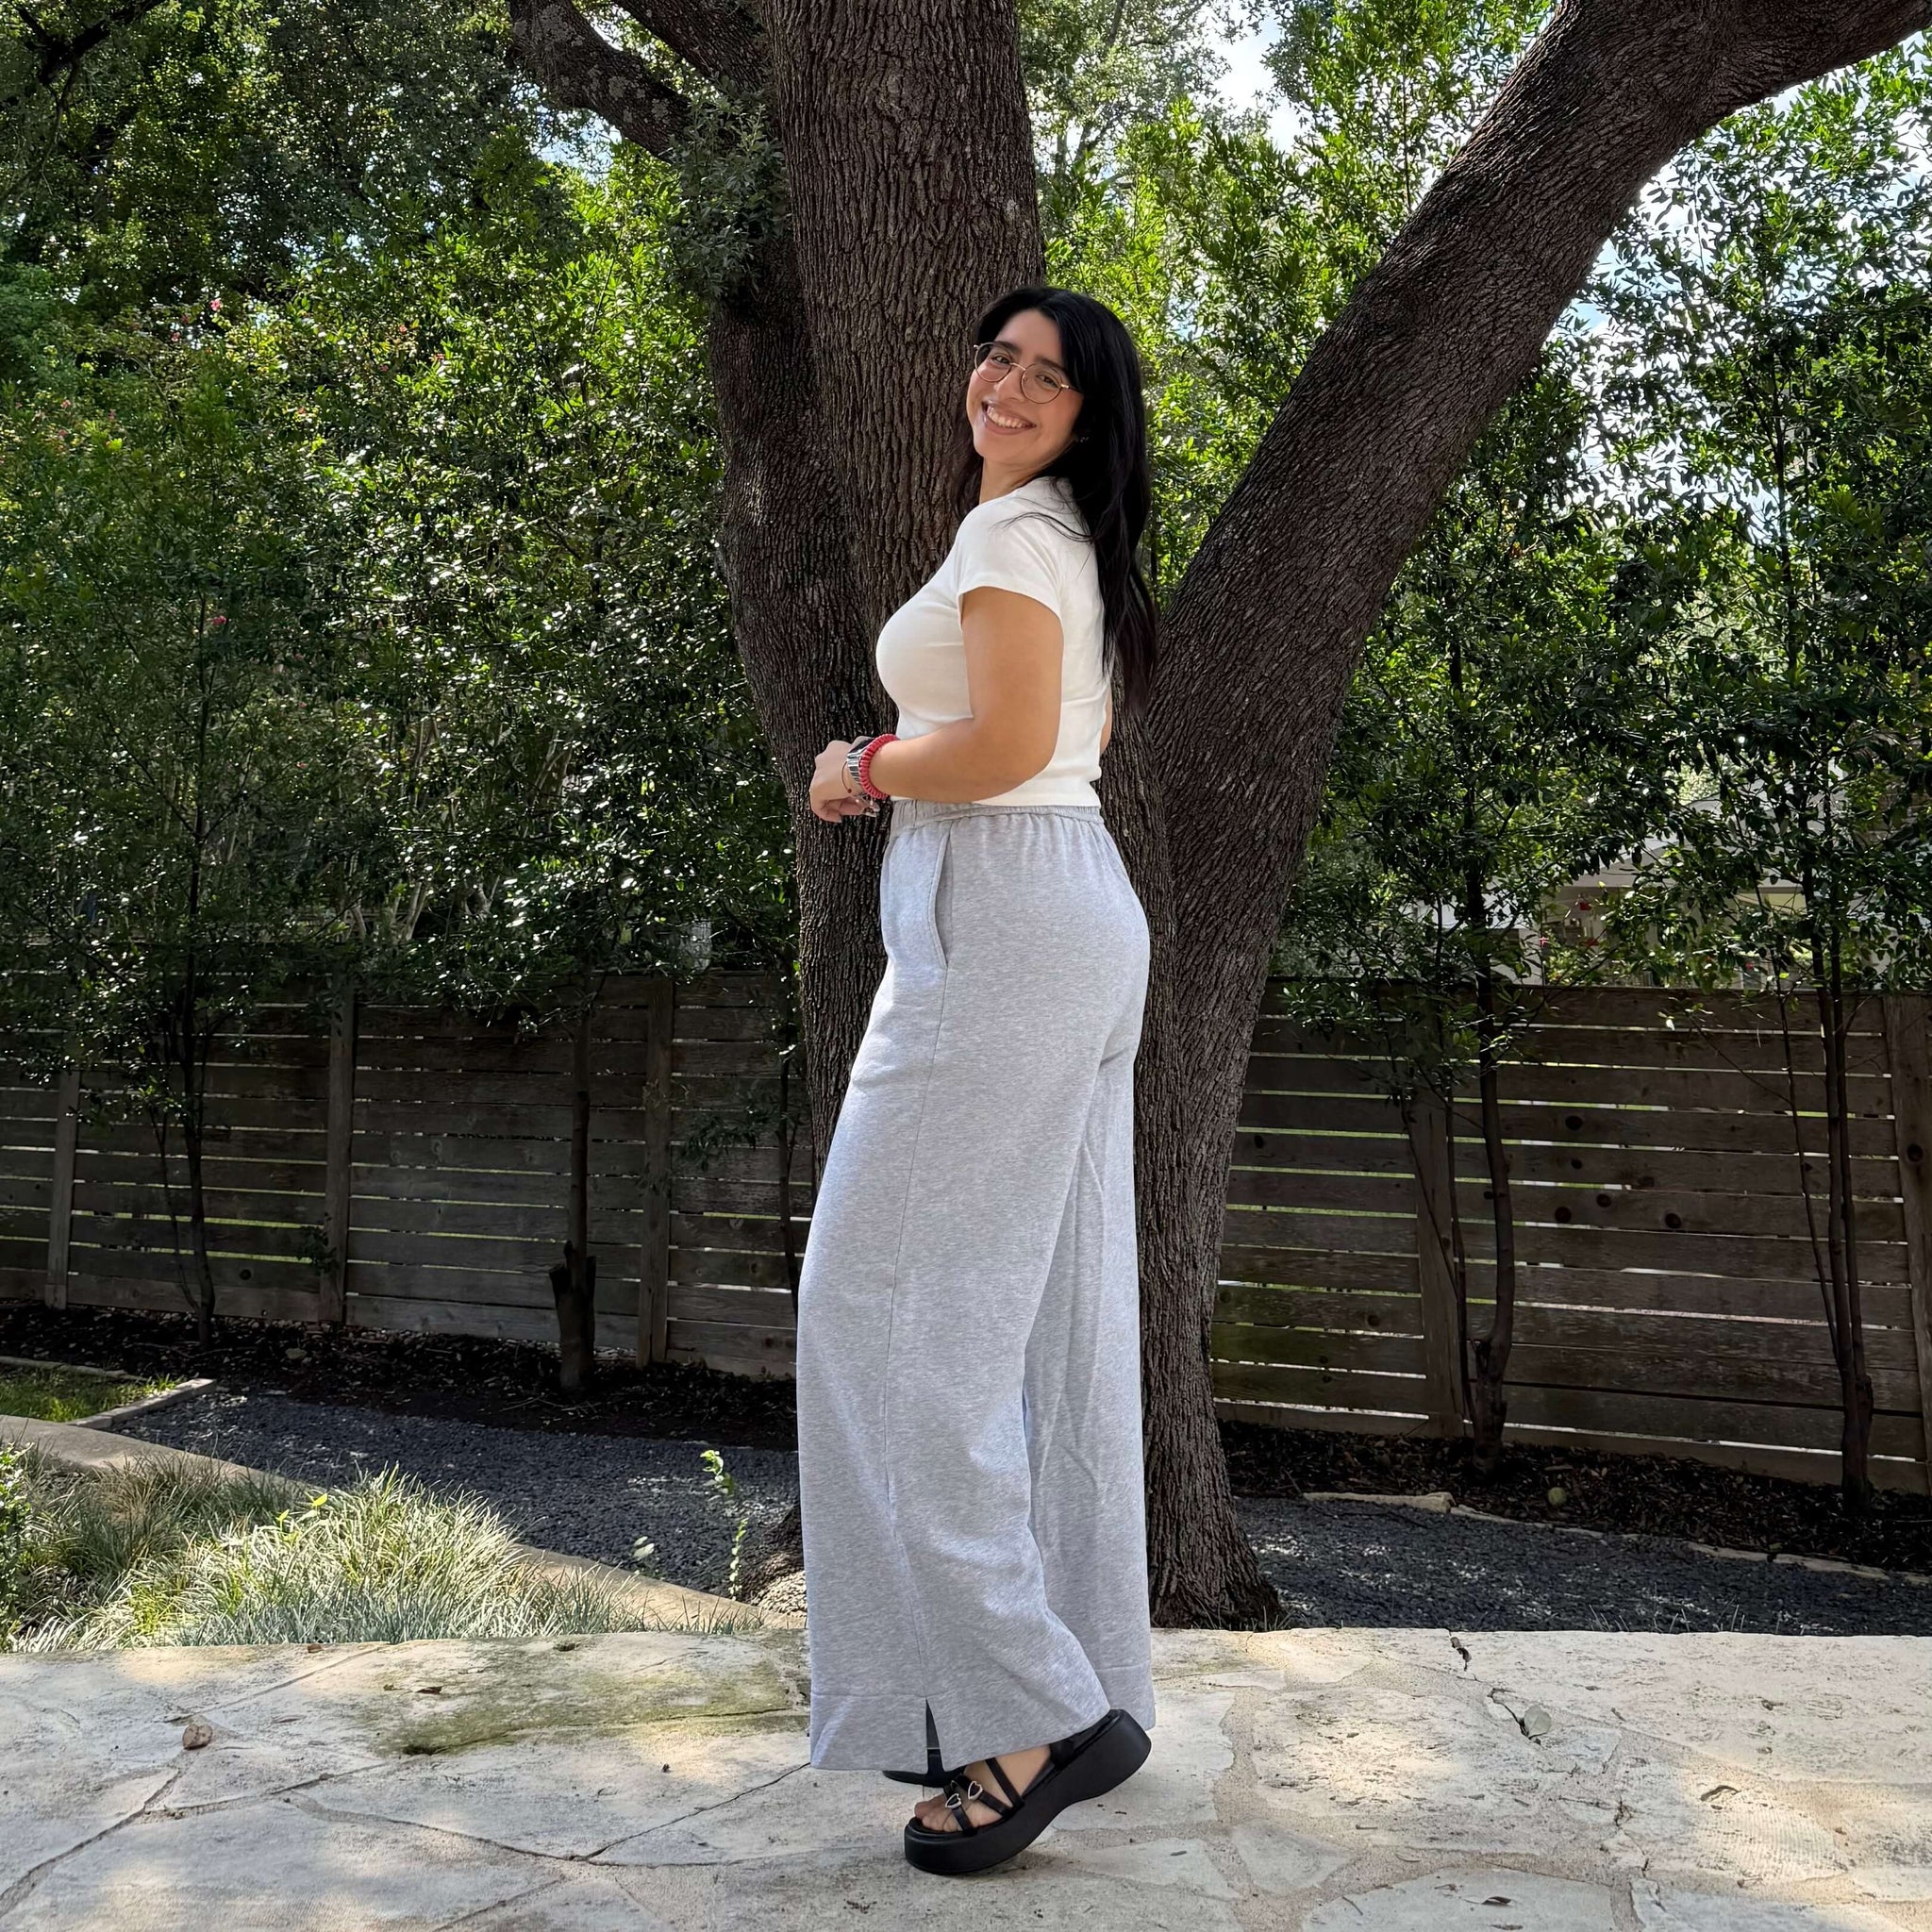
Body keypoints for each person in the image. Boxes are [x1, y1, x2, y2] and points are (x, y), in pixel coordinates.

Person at [796, 283, 1160, 1877]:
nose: (1005, 386)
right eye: (997, 358)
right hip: (1063, 910)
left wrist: (863, 766)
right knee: (1035, 1324)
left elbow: (1005, 746)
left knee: (886, 1319)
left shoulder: (1018, 536)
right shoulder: (1063, 540)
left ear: (1087, 416)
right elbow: (1050, 742)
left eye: (1046, 377)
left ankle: (1032, 1714)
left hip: (1007, 914)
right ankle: (1067, 1684)